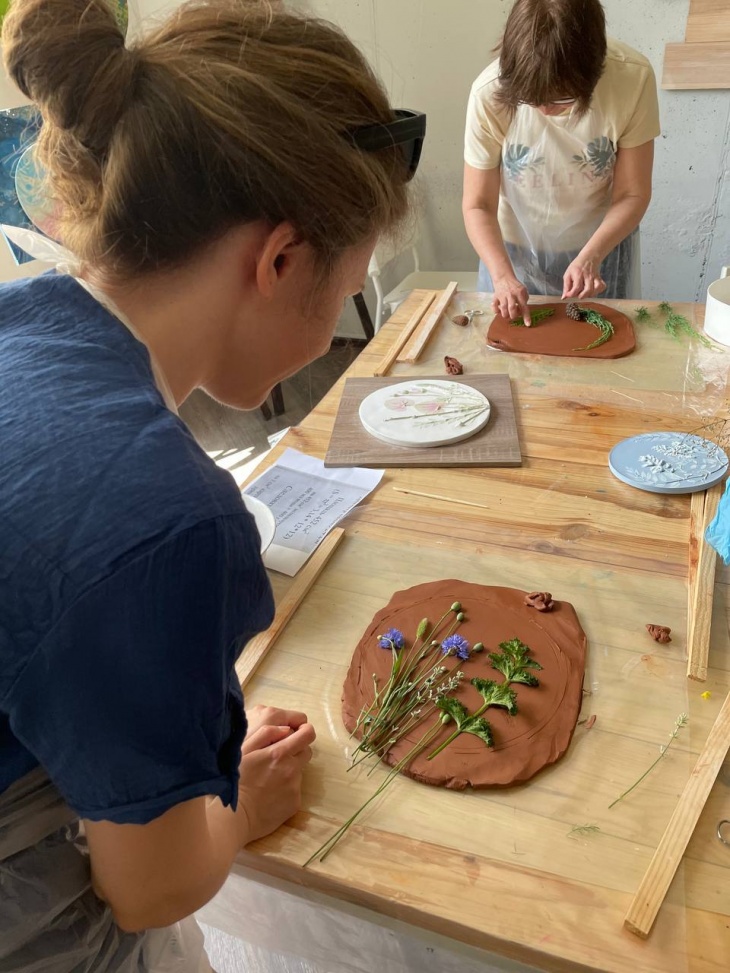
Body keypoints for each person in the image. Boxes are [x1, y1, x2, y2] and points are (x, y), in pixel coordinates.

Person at [0, 0, 423, 970]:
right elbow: (148, 889)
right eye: (347, 284)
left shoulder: (19, 318)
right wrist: (237, 801)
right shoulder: (171, 521)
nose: (334, 328)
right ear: (281, 259)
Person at [463, 0, 659, 324]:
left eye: (562, 99)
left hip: (601, 248)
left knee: (601, 341)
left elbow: (632, 193)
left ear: (593, 73)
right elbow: (478, 204)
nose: (545, 110)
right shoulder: (489, 92)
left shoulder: (632, 79)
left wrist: (592, 256)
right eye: (531, 100)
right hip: (511, 253)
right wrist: (502, 277)